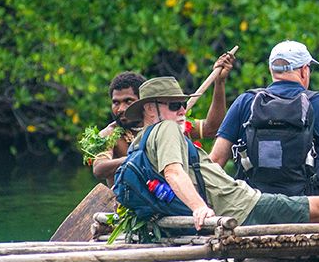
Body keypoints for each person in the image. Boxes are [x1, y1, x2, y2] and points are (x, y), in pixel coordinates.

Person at [121, 76, 319, 230]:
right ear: (150, 109)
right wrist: (199, 208)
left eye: (184, 104)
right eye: (175, 104)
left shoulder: (139, 142)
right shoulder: (166, 128)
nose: (182, 111)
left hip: (229, 203)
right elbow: (173, 172)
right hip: (240, 205)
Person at [210, 40, 319, 196]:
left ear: (271, 70)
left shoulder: (245, 102)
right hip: (309, 208)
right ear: (304, 70)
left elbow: (216, 162)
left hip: (255, 206)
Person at [92, 51, 235, 185]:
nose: (121, 109)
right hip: (130, 205)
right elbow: (99, 169)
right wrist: (142, 157)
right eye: (116, 102)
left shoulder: (172, 124)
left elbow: (212, 128)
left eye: (128, 101)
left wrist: (219, 83)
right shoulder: (110, 134)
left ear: (146, 104)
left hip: (173, 201)